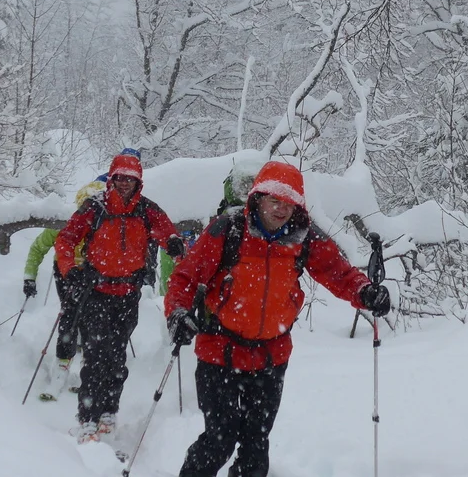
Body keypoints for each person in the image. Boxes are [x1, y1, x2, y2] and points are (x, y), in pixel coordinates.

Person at [164, 160, 392, 477]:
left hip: (270, 357)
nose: (281, 209)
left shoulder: (304, 237)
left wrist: (365, 292)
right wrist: (177, 311)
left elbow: (337, 273)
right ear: (258, 198)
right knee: (220, 439)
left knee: (256, 448)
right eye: (274, 200)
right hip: (221, 353)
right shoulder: (228, 229)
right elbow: (186, 277)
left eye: (288, 203)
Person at [54, 150, 185, 443]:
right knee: (95, 355)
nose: (125, 183)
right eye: (120, 178)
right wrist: (69, 269)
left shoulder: (147, 209)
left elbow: (167, 232)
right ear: (111, 178)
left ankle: (109, 411)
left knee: (116, 355)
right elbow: (66, 239)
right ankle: (88, 416)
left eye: (131, 179)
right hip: (96, 293)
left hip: (128, 295)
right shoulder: (94, 208)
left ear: (139, 182)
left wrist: (174, 244)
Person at [22, 179, 105, 377]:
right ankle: (64, 359)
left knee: (93, 316)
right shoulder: (64, 222)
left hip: (95, 273)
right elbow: (38, 248)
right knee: (70, 312)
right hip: (65, 271)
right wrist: (29, 277)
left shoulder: (107, 225)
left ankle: (89, 359)